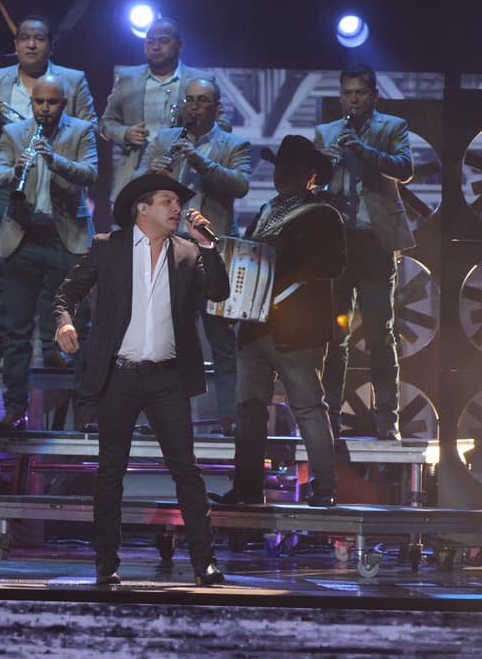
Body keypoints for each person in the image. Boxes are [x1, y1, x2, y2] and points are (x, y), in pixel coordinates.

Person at [53, 173, 230, 587]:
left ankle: (205, 562)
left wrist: (208, 246)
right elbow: (66, 294)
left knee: (186, 471)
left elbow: (219, 293)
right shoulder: (109, 248)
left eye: (177, 202)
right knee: (111, 471)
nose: (176, 209)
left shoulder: (188, 252)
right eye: (167, 201)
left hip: (167, 377)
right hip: (120, 376)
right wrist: (64, 324)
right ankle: (105, 563)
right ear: (142, 208)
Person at [224, 135, 346, 509]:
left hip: (297, 329)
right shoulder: (265, 211)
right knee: (248, 410)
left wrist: (283, 254)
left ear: (310, 175)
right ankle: (246, 489)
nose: (282, 174)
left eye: (291, 168)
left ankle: (324, 488)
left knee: (308, 408)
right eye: (279, 166)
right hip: (255, 326)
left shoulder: (324, 214)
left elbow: (333, 265)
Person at [0, 15, 97, 367]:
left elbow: (90, 124)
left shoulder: (72, 80)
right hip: (9, 182)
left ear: (50, 45)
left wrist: (59, 145)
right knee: (2, 266)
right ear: (14, 45)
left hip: (56, 184)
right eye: (24, 38)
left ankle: (52, 347)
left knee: (54, 272)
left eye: (39, 38)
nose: (31, 44)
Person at [139, 77, 249, 433]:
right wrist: (151, 180)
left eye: (202, 101)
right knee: (165, 337)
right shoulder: (164, 140)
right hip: (170, 252)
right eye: (189, 101)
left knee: (220, 340)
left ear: (216, 107)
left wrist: (200, 161)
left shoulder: (234, 143)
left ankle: (230, 416)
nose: (194, 107)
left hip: (212, 254)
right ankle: (164, 416)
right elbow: (137, 196)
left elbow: (240, 185)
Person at [0, 76, 97, 430]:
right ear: (32, 103)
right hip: (24, 239)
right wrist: (14, 171)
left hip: (66, 240)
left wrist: (55, 161)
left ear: (63, 104)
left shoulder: (80, 131)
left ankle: (85, 411)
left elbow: (91, 173)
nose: (45, 110)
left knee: (77, 329)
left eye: (52, 103)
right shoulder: (15, 132)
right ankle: (14, 409)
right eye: (39, 103)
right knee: (17, 331)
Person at [314, 64, 415, 440]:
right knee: (333, 335)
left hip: (375, 242)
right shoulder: (326, 132)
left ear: (373, 95)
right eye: (346, 93)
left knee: (379, 333)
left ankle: (387, 419)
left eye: (359, 93)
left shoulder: (392, 127)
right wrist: (322, 165)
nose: (352, 100)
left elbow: (405, 169)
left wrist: (365, 151)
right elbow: (312, 186)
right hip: (337, 244)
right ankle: (328, 420)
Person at [100, 17, 228, 201]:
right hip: (138, 175)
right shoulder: (128, 78)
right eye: (150, 41)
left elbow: (223, 124)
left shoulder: (201, 80)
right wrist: (125, 133)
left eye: (164, 40)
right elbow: (106, 123)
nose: (156, 46)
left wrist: (198, 140)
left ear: (180, 45)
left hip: (186, 175)